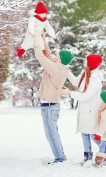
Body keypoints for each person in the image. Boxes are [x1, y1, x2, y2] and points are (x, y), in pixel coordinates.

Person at [32, 31, 74, 164]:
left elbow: (41, 56)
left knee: (51, 135)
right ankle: (61, 156)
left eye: (58, 55)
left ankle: (60, 158)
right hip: (50, 106)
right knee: (52, 133)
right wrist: (43, 39)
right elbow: (48, 54)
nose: (56, 54)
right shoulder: (58, 66)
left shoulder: (55, 68)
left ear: (60, 59)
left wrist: (35, 40)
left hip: (49, 107)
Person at [58, 54, 103, 165]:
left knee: (92, 134)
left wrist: (70, 93)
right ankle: (87, 157)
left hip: (92, 111)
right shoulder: (85, 74)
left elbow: (86, 96)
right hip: (84, 110)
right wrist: (65, 70)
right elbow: (74, 81)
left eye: (86, 61)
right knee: (84, 133)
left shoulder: (96, 80)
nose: (84, 62)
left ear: (90, 65)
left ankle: (105, 151)